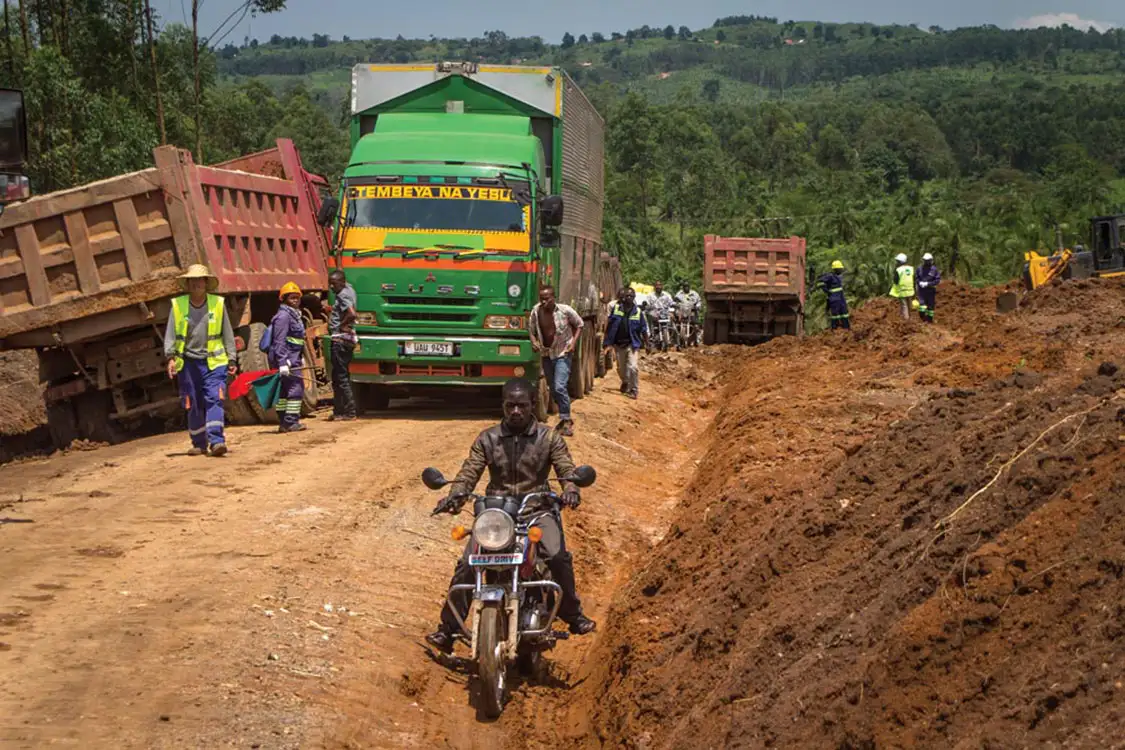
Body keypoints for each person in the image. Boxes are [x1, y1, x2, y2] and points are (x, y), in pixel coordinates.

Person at [425, 378, 596, 653]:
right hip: (497, 514)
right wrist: (455, 495)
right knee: (469, 564)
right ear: (502, 406)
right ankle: (449, 629)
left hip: (536, 509)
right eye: (510, 405)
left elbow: (566, 468)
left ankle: (572, 615)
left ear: (532, 405)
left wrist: (571, 489)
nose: (516, 411)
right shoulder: (488, 438)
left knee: (556, 555)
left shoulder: (549, 437)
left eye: (522, 405)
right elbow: (470, 471)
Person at [164, 264, 237, 457]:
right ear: (187, 284)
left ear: (206, 283)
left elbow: (227, 333)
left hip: (215, 362)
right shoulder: (178, 306)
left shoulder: (218, 304)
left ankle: (216, 441)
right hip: (188, 364)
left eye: (200, 280)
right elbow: (171, 334)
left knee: (214, 398)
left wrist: (232, 359)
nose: (196, 284)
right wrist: (170, 358)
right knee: (193, 402)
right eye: (192, 280)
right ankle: (198, 443)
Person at [529, 286, 584, 436]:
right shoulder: (536, 311)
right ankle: (563, 419)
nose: (544, 302)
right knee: (552, 388)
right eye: (541, 299)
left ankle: (566, 420)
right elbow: (531, 329)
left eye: (547, 299)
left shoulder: (565, 311)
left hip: (563, 353)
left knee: (560, 387)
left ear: (554, 298)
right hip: (547, 354)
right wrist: (534, 342)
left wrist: (573, 344)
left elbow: (580, 324)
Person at [269, 282, 308, 433]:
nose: (295, 300)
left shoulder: (294, 314)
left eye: (297, 297)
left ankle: (285, 422)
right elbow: (279, 340)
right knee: (295, 388)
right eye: (292, 297)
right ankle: (291, 422)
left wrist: (301, 356)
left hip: (293, 357)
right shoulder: (284, 316)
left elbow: (298, 339)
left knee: (285, 391)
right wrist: (282, 362)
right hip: (286, 359)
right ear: (284, 299)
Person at [323, 270, 358, 420]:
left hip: (340, 340)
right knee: (338, 376)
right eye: (330, 283)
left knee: (341, 377)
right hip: (347, 339)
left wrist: (341, 326)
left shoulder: (343, 294)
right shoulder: (349, 289)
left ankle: (349, 412)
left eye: (334, 284)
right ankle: (339, 411)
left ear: (342, 282)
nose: (331, 287)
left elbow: (351, 314)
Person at [604, 287, 648, 399]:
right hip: (619, 345)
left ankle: (634, 389)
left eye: (631, 296)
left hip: (632, 344)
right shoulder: (617, 308)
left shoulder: (638, 312)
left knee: (633, 367)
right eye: (627, 296)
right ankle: (625, 381)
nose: (628, 298)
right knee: (621, 369)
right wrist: (607, 342)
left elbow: (643, 328)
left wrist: (647, 344)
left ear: (634, 298)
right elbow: (611, 327)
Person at [817, 260, 851, 331]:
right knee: (835, 314)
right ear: (836, 269)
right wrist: (827, 291)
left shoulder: (838, 277)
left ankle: (846, 328)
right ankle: (835, 328)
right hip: (834, 299)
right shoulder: (830, 276)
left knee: (844, 313)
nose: (842, 270)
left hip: (841, 298)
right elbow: (820, 282)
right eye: (840, 268)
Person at [916, 253, 942, 324]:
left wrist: (928, 284)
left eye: (928, 260)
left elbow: (937, 280)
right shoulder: (919, 268)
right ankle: (922, 319)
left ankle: (930, 320)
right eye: (925, 260)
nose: (927, 262)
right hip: (921, 290)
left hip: (930, 290)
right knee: (922, 305)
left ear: (931, 260)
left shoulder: (934, 269)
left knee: (930, 306)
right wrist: (919, 282)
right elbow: (916, 278)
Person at [674, 281, 702, 345]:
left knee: (695, 324)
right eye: (685, 286)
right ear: (682, 287)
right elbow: (675, 301)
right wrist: (675, 304)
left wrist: (697, 306)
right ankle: (677, 340)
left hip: (692, 311)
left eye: (687, 286)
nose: (686, 288)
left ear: (689, 287)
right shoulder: (679, 294)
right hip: (682, 311)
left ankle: (696, 339)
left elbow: (699, 301)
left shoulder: (694, 294)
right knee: (676, 324)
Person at [889, 252, 915, 321]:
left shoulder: (898, 270)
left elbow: (896, 281)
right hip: (910, 290)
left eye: (897, 261)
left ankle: (906, 321)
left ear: (900, 262)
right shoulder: (911, 268)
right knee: (910, 305)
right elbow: (914, 278)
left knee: (904, 306)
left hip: (902, 291)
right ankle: (911, 319)